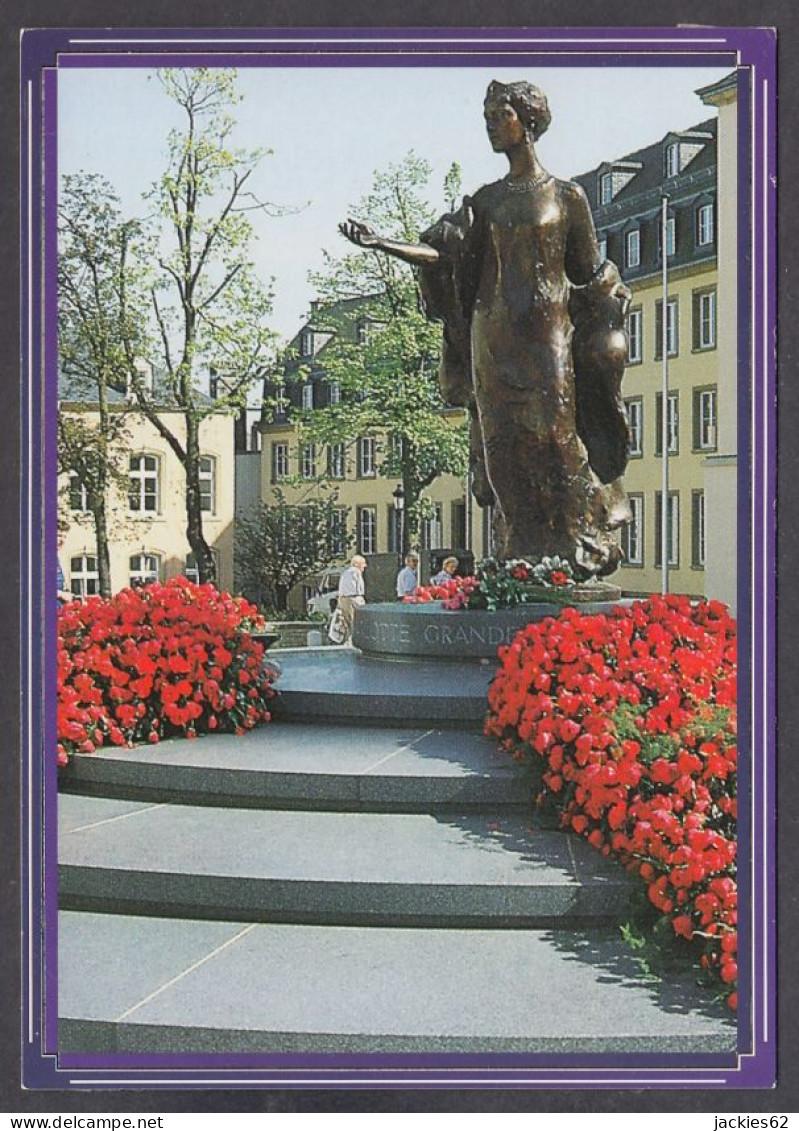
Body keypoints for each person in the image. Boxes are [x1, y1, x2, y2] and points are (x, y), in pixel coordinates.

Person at [340, 80, 631, 578]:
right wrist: (383, 243)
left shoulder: (566, 196)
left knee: (556, 440)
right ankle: (519, 552)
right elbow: (446, 255)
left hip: (548, 340)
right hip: (491, 340)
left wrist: (608, 315)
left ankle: (577, 546)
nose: (492, 124)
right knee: (501, 450)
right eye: (488, 116)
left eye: (501, 114)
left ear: (529, 119)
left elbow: (586, 272)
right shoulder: (486, 201)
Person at [336, 554, 367, 642]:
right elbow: (358, 590)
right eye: (363, 563)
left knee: (347, 624)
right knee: (356, 623)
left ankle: (348, 642)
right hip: (352, 599)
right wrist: (361, 601)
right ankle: (356, 642)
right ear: (357, 564)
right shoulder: (355, 572)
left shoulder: (346, 572)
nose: (365, 566)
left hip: (344, 599)